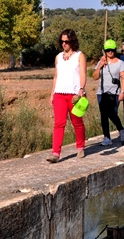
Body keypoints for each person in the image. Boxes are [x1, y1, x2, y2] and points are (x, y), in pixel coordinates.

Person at [47, 29, 87, 163]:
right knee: (59, 123)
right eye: (62, 41)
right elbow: (56, 76)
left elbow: (82, 74)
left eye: (67, 41)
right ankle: (55, 153)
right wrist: (52, 93)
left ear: (72, 41)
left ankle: (80, 146)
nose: (64, 44)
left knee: (77, 122)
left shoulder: (79, 55)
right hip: (59, 93)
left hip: (74, 93)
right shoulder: (58, 57)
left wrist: (81, 89)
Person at [93, 39, 124, 146]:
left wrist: (122, 92)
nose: (110, 52)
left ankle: (121, 130)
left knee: (112, 114)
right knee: (103, 115)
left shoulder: (120, 63)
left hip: (115, 93)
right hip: (101, 93)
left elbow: (123, 78)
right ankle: (107, 137)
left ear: (115, 50)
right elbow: (95, 77)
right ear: (105, 51)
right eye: (108, 50)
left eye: (112, 50)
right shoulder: (101, 61)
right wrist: (100, 66)